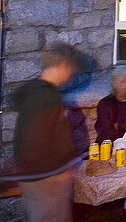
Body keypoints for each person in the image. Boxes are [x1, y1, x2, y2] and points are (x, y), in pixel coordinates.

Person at [13, 41, 83, 222]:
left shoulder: (38, 92)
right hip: (46, 178)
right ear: (63, 65)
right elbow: (33, 142)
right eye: (71, 67)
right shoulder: (44, 98)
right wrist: (59, 170)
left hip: (42, 176)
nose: (71, 73)